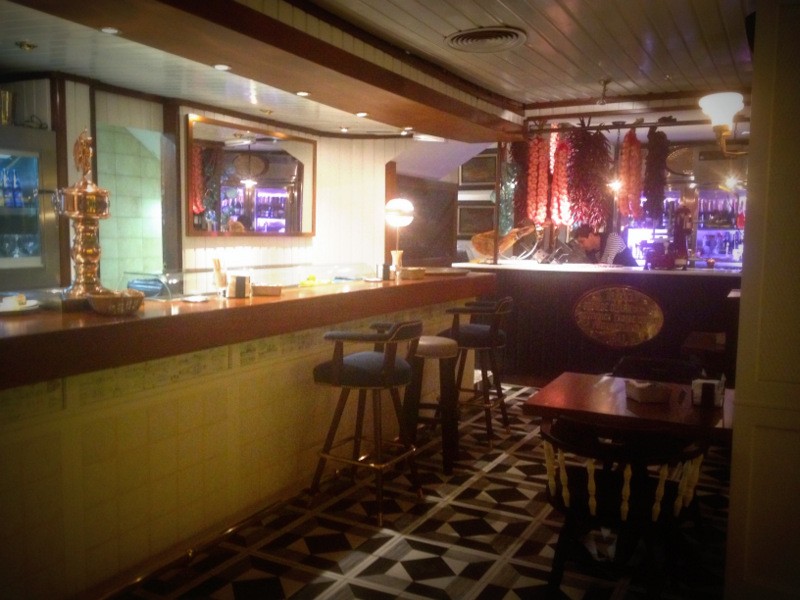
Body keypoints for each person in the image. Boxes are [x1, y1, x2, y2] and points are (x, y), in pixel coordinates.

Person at [573, 224, 639, 267]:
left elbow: (605, 266)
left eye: (582, 241)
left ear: (591, 235)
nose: (581, 246)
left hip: (633, 279)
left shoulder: (613, 238)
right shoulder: (590, 251)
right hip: (616, 281)